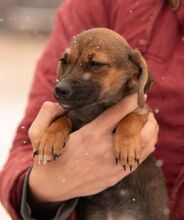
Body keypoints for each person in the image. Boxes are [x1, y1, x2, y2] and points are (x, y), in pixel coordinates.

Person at [0, 0, 183, 219]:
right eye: (66, 62)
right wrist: (42, 188)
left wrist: (128, 131)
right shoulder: (96, 5)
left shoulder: (132, 100)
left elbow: (140, 115)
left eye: (95, 65)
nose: (64, 83)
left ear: (136, 72)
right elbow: (25, 148)